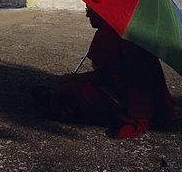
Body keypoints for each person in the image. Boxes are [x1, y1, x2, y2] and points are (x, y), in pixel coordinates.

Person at [33, 7, 174, 139]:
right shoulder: (124, 26)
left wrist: (73, 78)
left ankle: (56, 103)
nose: (87, 15)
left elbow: (105, 77)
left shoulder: (108, 31)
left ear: (101, 11)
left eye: (89, 10)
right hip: (151, 102)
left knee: (69, 92)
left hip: (130, 103)